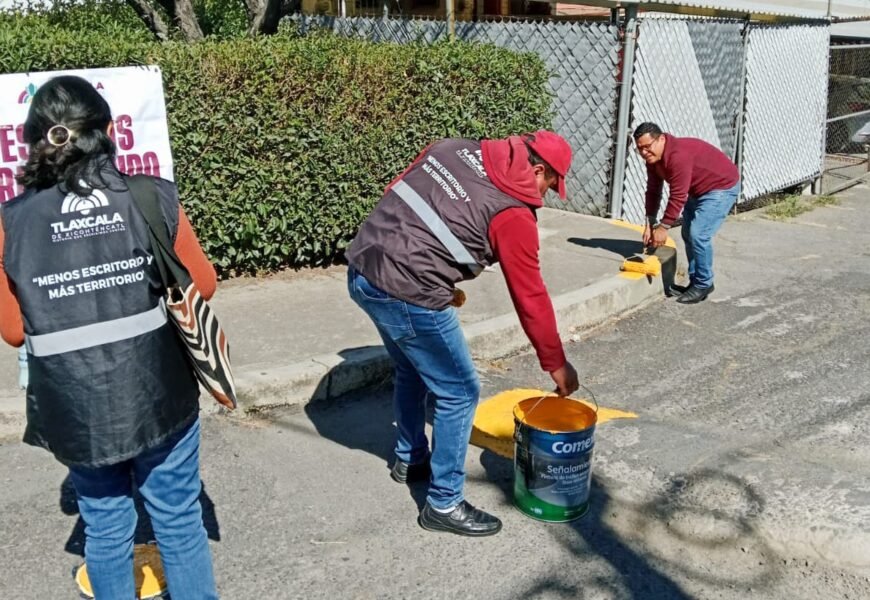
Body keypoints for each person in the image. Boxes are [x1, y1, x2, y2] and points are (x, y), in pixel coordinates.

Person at [0, 76, 219, 599]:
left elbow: (12, 331)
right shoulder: (149, 196)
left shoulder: (13, 221)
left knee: (105, 529)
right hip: (159, 397)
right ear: (105, 131)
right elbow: (203, 283)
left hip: (76, 410)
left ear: (34, 140)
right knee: (179, 521)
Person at [346, 130, 581, 537]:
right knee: (458, 391)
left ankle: (411, 457)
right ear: (538, 169)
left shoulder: (452, 148)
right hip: (408, 290)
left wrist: (442, 274)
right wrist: (555, 363)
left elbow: (401, 199)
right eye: (550, 184)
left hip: (363, 270)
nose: (546, 194)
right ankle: (444, 502)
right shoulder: (513, 213)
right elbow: (530, 295)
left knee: (412, 369)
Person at [633, 122, 740, 304]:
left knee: (698, 234)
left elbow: (678, 195)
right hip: (698, 189)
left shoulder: (678, 156)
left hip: (720, 187)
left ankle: (704, 283)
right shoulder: (653, 159)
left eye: (647, 147)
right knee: (687, 232)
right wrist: (650, 221)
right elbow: (653, 190)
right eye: (639, 149)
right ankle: (695, 280)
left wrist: (664, 227)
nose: (644, 153)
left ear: (661, 139)